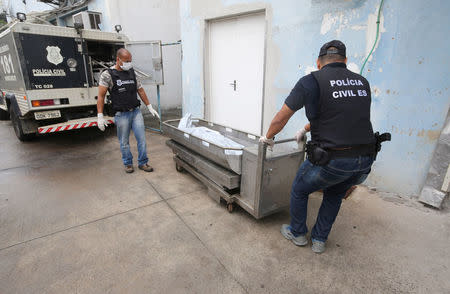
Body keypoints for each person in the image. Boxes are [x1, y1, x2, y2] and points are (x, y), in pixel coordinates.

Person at [260, 40, 376, 253]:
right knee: (334, 194)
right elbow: (338, 114)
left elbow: (281, 117)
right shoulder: (362, 82)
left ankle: (297, 233)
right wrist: (305, 129)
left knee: (299, 188)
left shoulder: (311, 81)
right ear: (345, 61)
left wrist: (268, 137)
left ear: (318, 63)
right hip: (365, 159)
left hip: (334, 160)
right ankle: (320, 240)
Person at [97, 48, 160, 174]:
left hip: (136, 112)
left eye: (130, 61)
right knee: (124, 142)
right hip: (121, 114)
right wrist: (100, 115)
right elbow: (101, 96)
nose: (129, 63)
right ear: (118, 59)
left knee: (141, 139)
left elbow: (140, 90)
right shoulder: (108, 74)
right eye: (126, 61)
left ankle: (143, 162)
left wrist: (149, 106)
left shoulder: (132, 72)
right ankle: (128, 163)